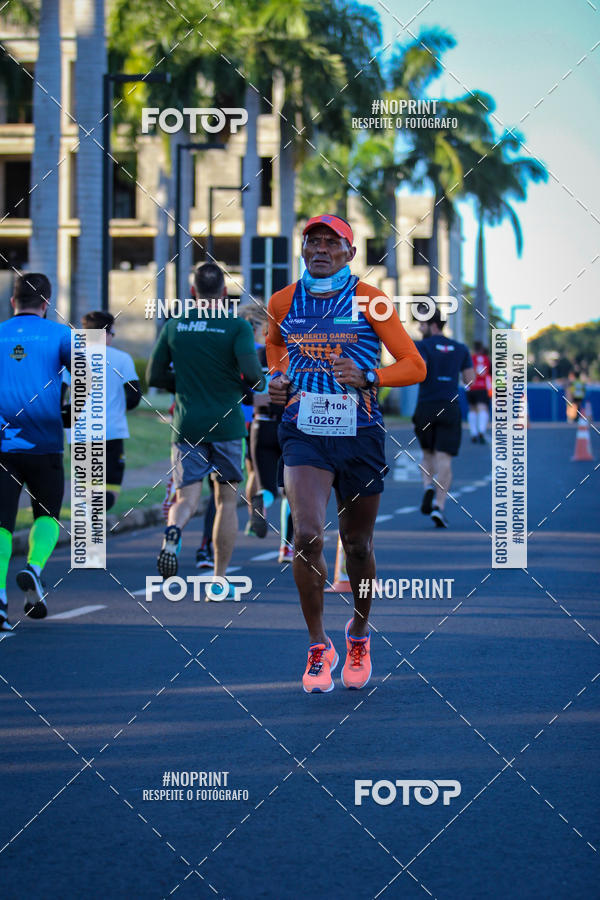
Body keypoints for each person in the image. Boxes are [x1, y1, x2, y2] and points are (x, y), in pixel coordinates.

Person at [266, 213, 426, 693]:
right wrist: (278, 378)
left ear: (350, 253)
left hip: (360, 433)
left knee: (357, 545)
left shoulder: (370, 300)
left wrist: (371, 376)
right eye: (312, 241)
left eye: (331, 243)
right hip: (304, 430)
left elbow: (414, 365)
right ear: (302, 249)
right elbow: (274, 345)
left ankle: (358, 632)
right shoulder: (283, 300)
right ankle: (318, 645)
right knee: (307, 535)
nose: (320, 249)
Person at [147, 262, 265, 599]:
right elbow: (254, 378)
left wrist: (185, 384)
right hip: (227, 425)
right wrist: (239, 386)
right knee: (225, 501)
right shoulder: (237, 326)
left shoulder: (175, 325)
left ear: (193, 292)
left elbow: (154, 376)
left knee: (186, 497)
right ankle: (218, 578)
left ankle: (174, 531)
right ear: (225, 293)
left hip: (187, 425)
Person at [0, 273, 71, 628]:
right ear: (46, 303)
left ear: (13, 302)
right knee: (47, 515)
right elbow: (88, 379)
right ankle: (34, 567)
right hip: (45, 443)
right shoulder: (62, 335)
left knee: (2, 523)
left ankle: (0, 599)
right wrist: (70, 414)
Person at [63, 311, 141, 511]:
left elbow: (59, 396)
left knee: (88, 489)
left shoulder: (72, 358)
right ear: (106, 333)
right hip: (111, 432)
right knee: (110, 490)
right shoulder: (122, 358)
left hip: (79, 434)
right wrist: (118, 409)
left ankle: (91, 520)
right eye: (112, 334)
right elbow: (134, 397)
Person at [413, 305, 475, 529]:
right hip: (449, 407)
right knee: (444, 459)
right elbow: (469, 380)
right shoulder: (460, 348)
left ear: (432, 325)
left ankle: (427, 486)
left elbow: (419, 371)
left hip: (426, 405)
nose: (419, 328)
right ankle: (439, 506)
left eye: (422, 324)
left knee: (427, 454)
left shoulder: (421, 346)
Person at [466, 340, 491, 443]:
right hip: (482, 387)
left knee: (472, 409)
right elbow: (491, 373)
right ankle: (481, 431)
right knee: (482, 408)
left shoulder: (470, 358)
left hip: (471, 387)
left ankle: (473, 432)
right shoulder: (486, 359)